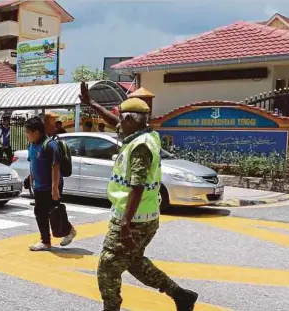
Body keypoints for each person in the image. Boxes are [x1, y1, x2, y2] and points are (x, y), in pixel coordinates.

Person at [78, 82, 198, 311]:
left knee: (108, 266)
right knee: (133, 262)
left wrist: (125, 224)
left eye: (122, 119)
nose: (119, 123)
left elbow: (137, 185)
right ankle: (181, 296)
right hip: (146, 216)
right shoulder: (147, 134)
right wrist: (91, 104)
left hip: (133, 219)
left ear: (131, 120)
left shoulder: (140, 146)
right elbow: (115, 122)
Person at [24, 116, 77, 251]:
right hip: (39, 186)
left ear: (36, 132)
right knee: (40, 213)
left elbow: (55, 167)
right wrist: (30, 179)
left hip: (51, 186)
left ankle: (70, 230)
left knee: (54, 213)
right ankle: (45, 242)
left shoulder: (50, 145)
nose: (27, 136)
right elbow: (33, 163)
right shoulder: (32, 145)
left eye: (27, 133)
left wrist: (54, 188)